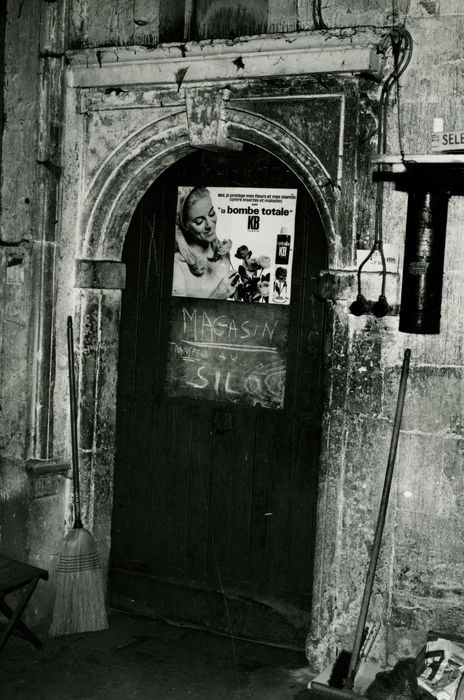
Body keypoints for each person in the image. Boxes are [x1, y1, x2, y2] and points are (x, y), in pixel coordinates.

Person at [172, 187, 239, 299]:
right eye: (199, 222)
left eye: (212, 213)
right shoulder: (177, 266)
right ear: (185, 225)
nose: (210, 225)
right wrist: (218, 296)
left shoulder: (223, 254)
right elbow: (180, 315)